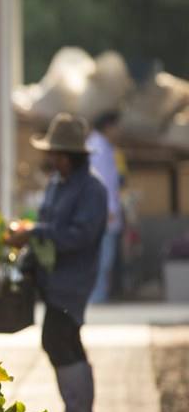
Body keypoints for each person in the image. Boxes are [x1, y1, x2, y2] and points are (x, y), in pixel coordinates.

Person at [8, 113, 107, 412]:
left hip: (73, 278)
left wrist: (36, 231)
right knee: (64, 338)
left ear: (67, 156)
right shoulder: (56, 184)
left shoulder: (92, 189)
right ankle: (78, 411)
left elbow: (79, 236)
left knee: (58, 337)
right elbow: (48, 223)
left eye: (55, 153)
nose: (51, 158)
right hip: (53, 277)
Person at [87, 110, 123, 303]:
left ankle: (99, 296)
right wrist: (108, 208)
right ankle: (96, 298)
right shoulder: (98, 148)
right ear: (108, 127)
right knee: (102, 258)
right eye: (116, 127)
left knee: (105, 258)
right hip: (104, 213)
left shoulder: (105, 147)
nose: (119, 131)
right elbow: (103, 182)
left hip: (106, 212)